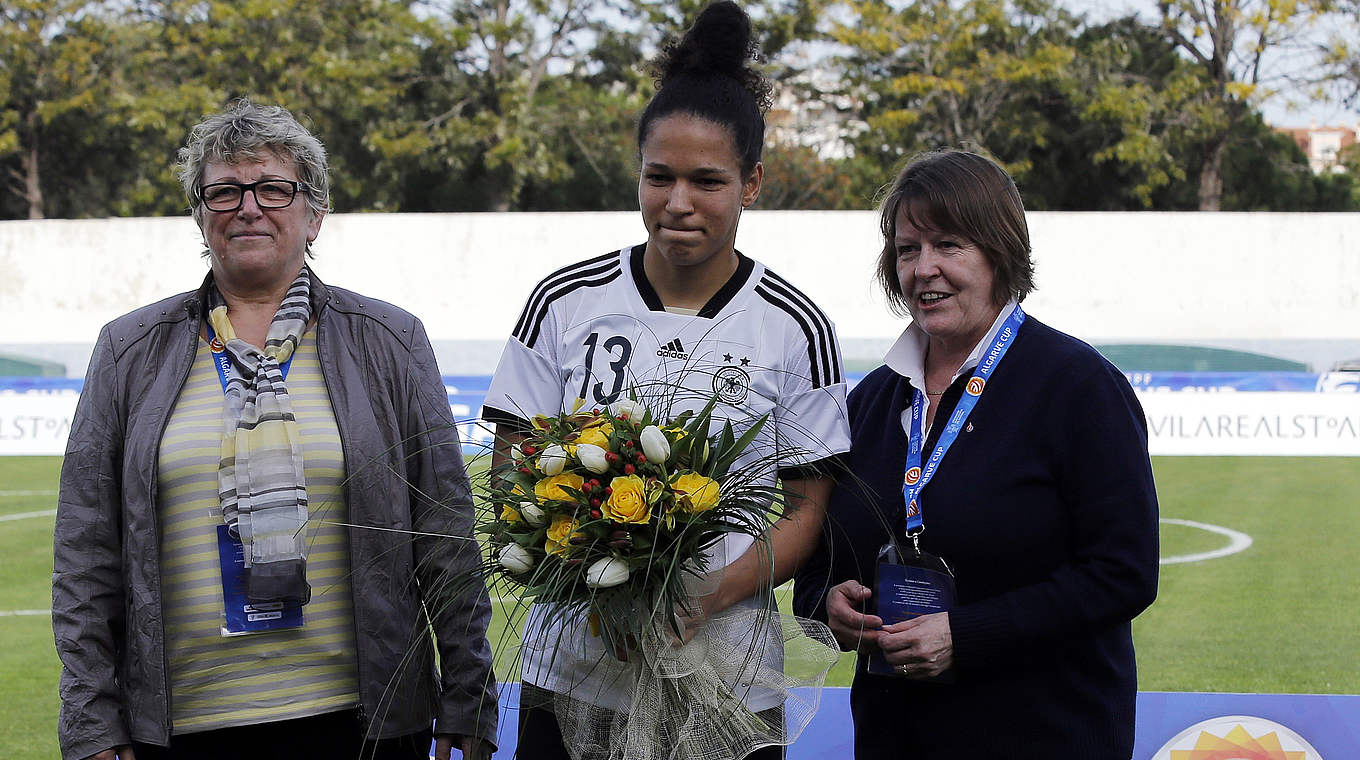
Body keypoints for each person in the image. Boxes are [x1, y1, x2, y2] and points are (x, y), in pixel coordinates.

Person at [52, 100, 496, 760]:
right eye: (224, 191)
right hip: (182, 729)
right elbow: (86, 554)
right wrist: (91, 718)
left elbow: (445, 533)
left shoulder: (389, 339)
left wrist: (468, 692)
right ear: (200, 215)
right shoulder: (128, 349)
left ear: (314, 214)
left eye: (273, 189)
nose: (248, 207)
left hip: (364, 723)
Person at [480, 3, 850, 758]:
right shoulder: (564, 300)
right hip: (573, 670)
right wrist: (581, 564)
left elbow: (808, 509)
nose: (678, 202)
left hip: (727, 678)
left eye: (707, 180)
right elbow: (512, 462)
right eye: (660, 177)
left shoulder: (794, 324)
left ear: (752, 184)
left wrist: (708, 593)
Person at [792, 150, 1159, 759]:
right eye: (907, 250)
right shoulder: (872, 401)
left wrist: (965, 635)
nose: (923, 269)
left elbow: (1123, 573)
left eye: (949, 245)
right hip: (895, 736)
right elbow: (818, 564)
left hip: (1049, 735)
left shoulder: (1077, 387)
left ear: (1000, 253)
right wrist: (828, 607)